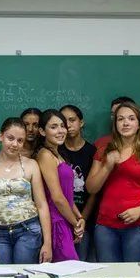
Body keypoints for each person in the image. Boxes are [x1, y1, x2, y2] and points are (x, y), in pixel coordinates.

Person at [86, 101, 140, 263]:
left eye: (131, 119)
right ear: (115, 123)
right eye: (120, 119)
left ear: (139, 123)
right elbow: (91, 188)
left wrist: (139, 211)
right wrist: (107, 166)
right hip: (106, 227)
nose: (125, 123)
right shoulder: (104, 150)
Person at [0, 118, 52, 264]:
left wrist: (47, 243)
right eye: (10, 138)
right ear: (1, 136)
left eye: (20, 140)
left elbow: (42, 205)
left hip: (28, 230)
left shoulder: (31, 165)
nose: (15, 144)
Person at [35, 109, 82, 262]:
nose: (61, 130)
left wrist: (79, 217)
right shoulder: (45, 155)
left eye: (62, 126)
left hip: (66, 220)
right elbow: (57, 198)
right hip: (56, 223)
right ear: (42, 131)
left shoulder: (59, 154)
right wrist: (75, 224)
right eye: (53, 127)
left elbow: (67, 195)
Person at [59, 104, 98, 259]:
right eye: (63, 121)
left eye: (72, 120)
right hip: (61, 217)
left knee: (81, 266)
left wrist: (82, 219)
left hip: (86, 218)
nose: (68, 125)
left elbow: (94, 191)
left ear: (81, 122)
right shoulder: (56, 152)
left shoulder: (92, 151)